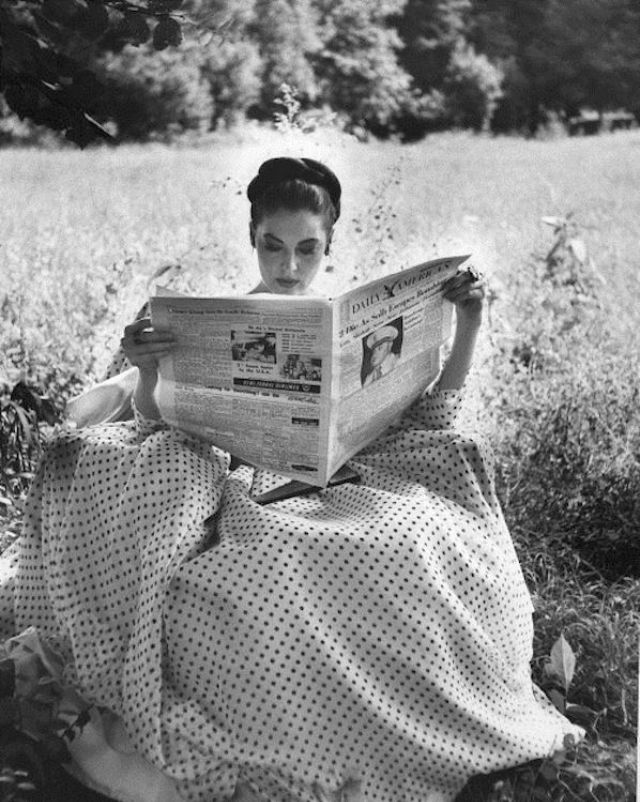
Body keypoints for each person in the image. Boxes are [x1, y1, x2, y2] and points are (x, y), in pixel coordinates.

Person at [0, 157, 581, 802]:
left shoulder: (350, 327)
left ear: (328, 248)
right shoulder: (212, 320)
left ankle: (423, 731)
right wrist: (145, 371)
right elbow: (155, 421)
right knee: (273, 566)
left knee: (416, 539)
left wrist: (467, 325)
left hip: (350, 476)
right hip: (241, 483)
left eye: (308, 250)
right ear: (253, 239)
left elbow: (437, 414)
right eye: (273, 247)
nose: (289, 267)